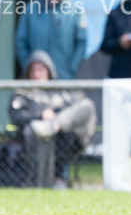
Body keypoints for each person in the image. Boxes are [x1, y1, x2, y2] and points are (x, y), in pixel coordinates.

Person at [8, 51, 97, 189]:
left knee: (87, 106)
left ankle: (54, 126)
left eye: (40, 70)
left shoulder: (61, 90)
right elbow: (16, 116)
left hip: (63, 135)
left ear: (49, 70)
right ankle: (52, 180)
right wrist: (40, 115)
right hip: (34, 136)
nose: (36, 74)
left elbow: (74, 109)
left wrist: (55, 119)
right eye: (33, 70)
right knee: (36, 130)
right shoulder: (23, 93)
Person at [15, 0, 88, 79]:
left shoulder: (76, 11)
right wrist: (30, 67)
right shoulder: (30, 10)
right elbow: (21, 42)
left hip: (64, 76)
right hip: (37, 79)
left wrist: (71, 68)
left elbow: (81, 43)